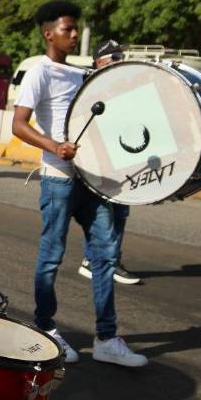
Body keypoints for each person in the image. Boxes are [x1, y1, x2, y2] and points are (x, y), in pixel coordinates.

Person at [12, 0, 147, 368]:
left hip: (92, 178)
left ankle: (106, 337)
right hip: (59, 179)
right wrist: (55, 146)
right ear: (48, 33)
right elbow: (19, 124)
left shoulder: (83, 75)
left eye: (75, 29)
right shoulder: (40, 72)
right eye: (67, 29)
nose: (74, 35)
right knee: (52, 255)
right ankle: (44, 327)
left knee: (104, 254)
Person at [77, 39, 141, 285]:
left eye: (120, 57)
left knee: (121, 211)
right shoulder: (88, 84)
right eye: (114, 58)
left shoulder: (123, 86)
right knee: (103, 212)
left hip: (123, 157)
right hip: (99, 161)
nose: (119, 62)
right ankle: (95, 260)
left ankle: (109, 260)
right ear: (99, 61)